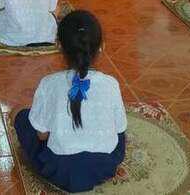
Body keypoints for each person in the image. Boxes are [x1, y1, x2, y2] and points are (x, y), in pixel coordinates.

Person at [13, 10, 127, 192]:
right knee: (119, 136)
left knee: (19, 115)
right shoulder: (111, 84)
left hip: (60, 170)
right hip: (103, 167)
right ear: (101, 46)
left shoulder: (49, 84)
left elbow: (42, 135)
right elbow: (120, 128)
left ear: (59, 45)